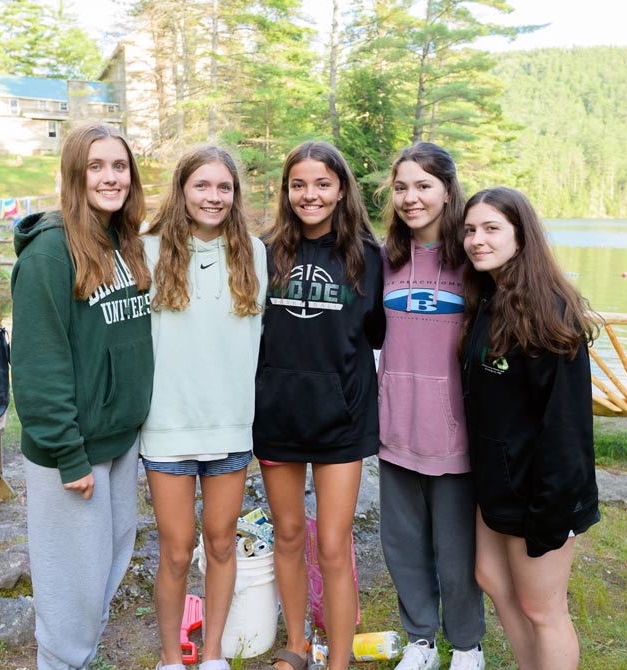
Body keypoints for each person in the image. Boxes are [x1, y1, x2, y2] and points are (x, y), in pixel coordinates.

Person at [11, 123, 153, 670]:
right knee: (70, 583)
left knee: (107, 567)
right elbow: (39, 363)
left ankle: (81, 658)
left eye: (119, 166)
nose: (110, 177)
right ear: (74, 174)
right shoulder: (51, 251)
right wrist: (68, 452)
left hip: (118, 440)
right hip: (74, 451)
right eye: (96, 166)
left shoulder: (124, 242)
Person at [253, 141, 385, 670]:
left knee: (332, 543)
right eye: (299, 184)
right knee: (287, 535)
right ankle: (297, 644)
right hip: (276, 414)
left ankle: (340, 661)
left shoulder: (368, 258)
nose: (310, 194)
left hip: (342, 420)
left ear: (341, 189)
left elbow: (374, 334)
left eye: (322, 184)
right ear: (286, 191)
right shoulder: (263, 253)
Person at [459, 187, 601, 670]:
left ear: (522, 236)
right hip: (498, 481)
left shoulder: (551, 314)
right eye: (471, 229)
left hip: (542, 492)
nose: (477, 240)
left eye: (492, 228)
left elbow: (567, 430)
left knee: (544, 609)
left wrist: (551, 515)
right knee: (492, 580)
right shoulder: (490, 301)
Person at [140, 146, 267, 670]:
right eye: (202, 186)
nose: (213, 197)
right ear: (182, 189)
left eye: (224, 187)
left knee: (220, 543)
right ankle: (173, 657)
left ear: (235, 196)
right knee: (175, 549)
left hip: (231, 428)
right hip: (168, 426)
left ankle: (212, 654)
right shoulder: (145, 251)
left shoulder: (255, 253)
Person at [376, 143, 485, 670]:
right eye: (401, 187)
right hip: (396, 428)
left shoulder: (474, 260)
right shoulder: (385, 260)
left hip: (456, 433)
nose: (411, 197)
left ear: (447, 189)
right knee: (402, 543)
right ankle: (419, 639)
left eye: (423, 186)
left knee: (458, 551)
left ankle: (466, 645)